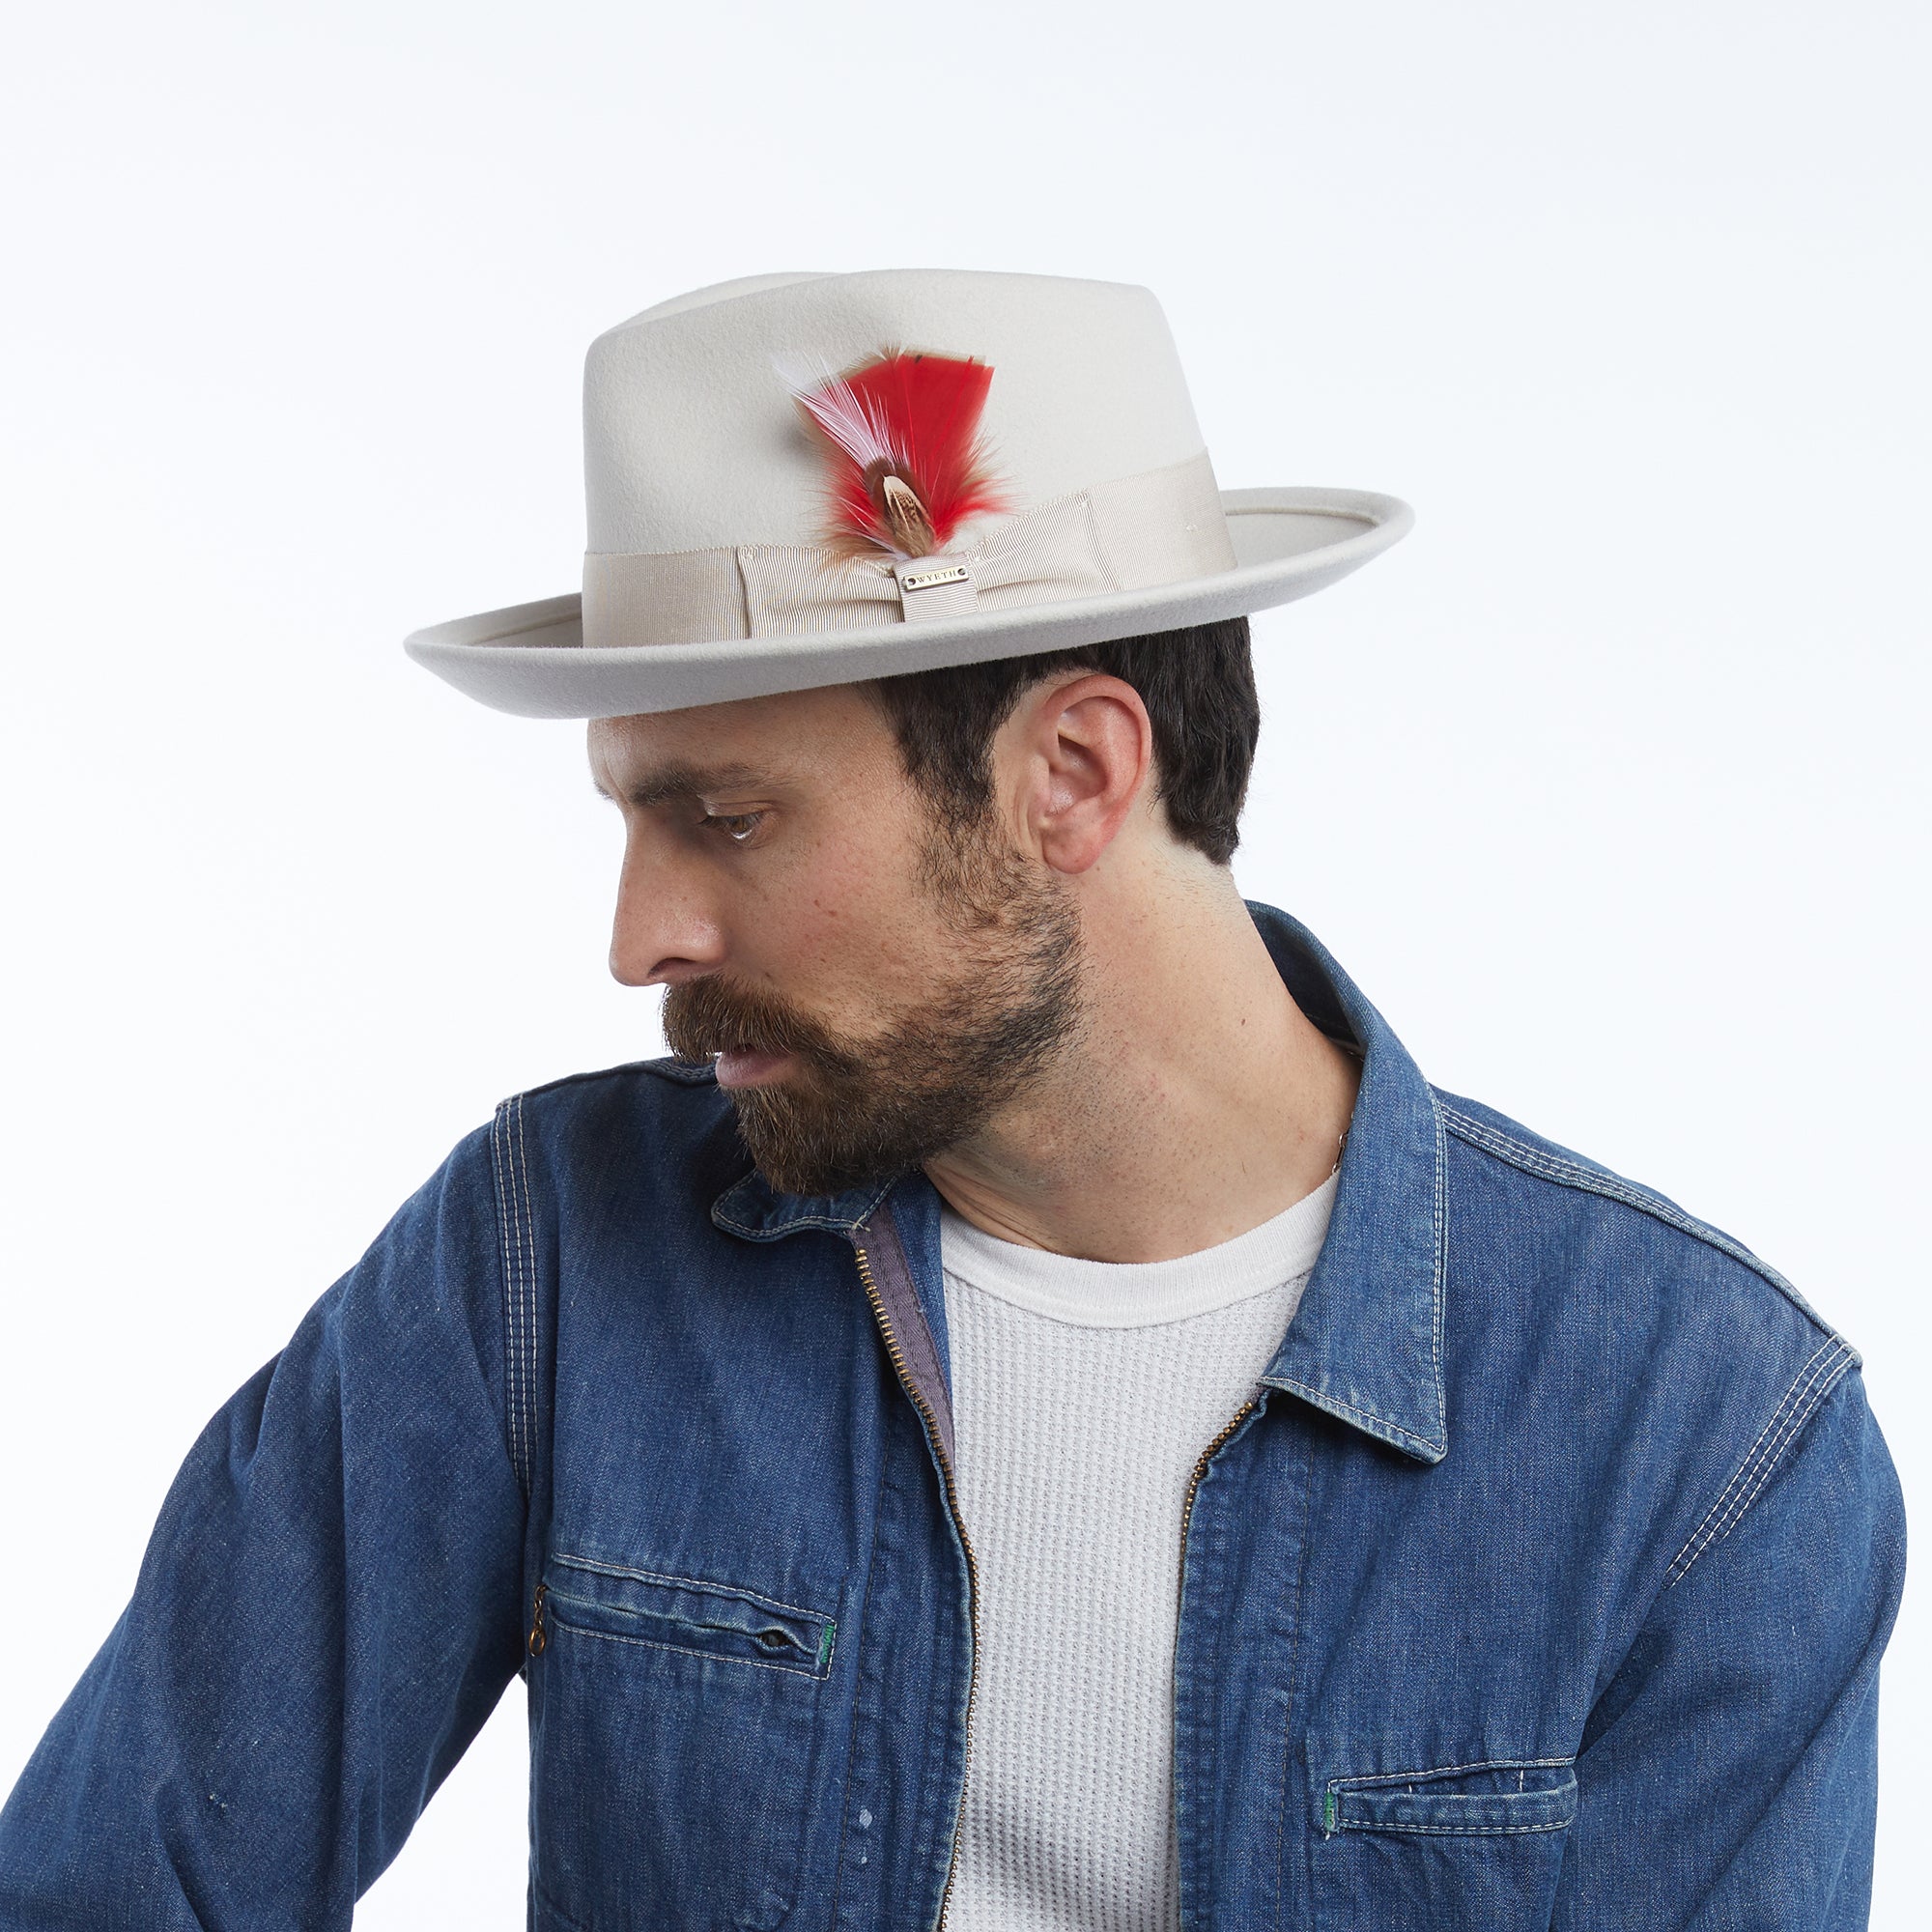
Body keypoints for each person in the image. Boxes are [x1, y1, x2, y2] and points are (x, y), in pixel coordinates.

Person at [0, 270, 1905, 1931]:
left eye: (728, 815)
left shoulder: (1704, 1439)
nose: (643, 936)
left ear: (1072, 773)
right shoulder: (549, 1258)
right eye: (634, 819)